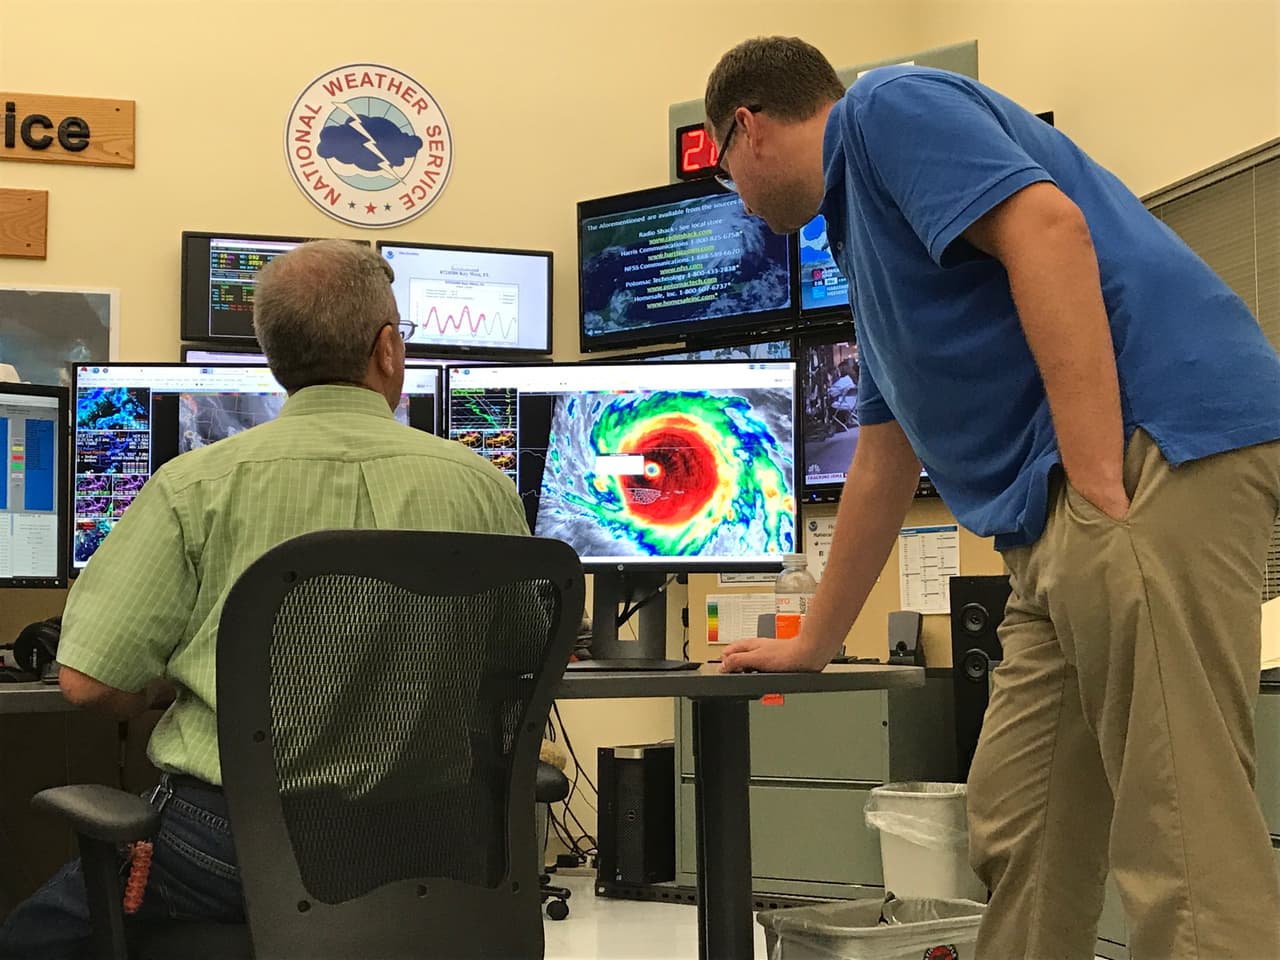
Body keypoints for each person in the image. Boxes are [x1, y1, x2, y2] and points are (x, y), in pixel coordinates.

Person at [706, 36, 1280, 960]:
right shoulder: (862, 241)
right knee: (1021, 821)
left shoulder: (885, 109)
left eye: (723, 172)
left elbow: (1048, 231)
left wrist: (1096, 476)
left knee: (1179, 825)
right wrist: (812, 641)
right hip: (1048, 518)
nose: (733, 192)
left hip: (1149, 454)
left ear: (746, 129)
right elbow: (883, 459)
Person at [0, 240, 529, 959]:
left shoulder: (194, 486)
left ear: (275, 359)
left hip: (234, 848)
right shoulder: (486, 487)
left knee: (36, 934)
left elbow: (88, 683)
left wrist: (174, 682)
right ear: (388, 350)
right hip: (430, 843)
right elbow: (528, 650)